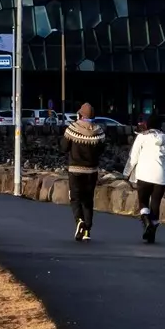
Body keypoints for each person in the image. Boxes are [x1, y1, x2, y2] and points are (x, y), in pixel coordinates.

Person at [121, 116, 165, 243]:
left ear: (148, 125)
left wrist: (126, 174)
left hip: (144, 175)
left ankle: (146, 222)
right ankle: (152, 232)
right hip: (162, 176)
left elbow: (133, 157)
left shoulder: (141, 137)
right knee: (155, 204)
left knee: (143, 202)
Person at [63, 103, 104, 241]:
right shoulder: (99, 131)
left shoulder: (72, 129)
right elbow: (101, 150)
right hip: (92, 171)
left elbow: (63, 147)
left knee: (75, 197)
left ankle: (79, 221)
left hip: (75, 170)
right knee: (88, 200)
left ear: (80, 115)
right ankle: (87, 230)